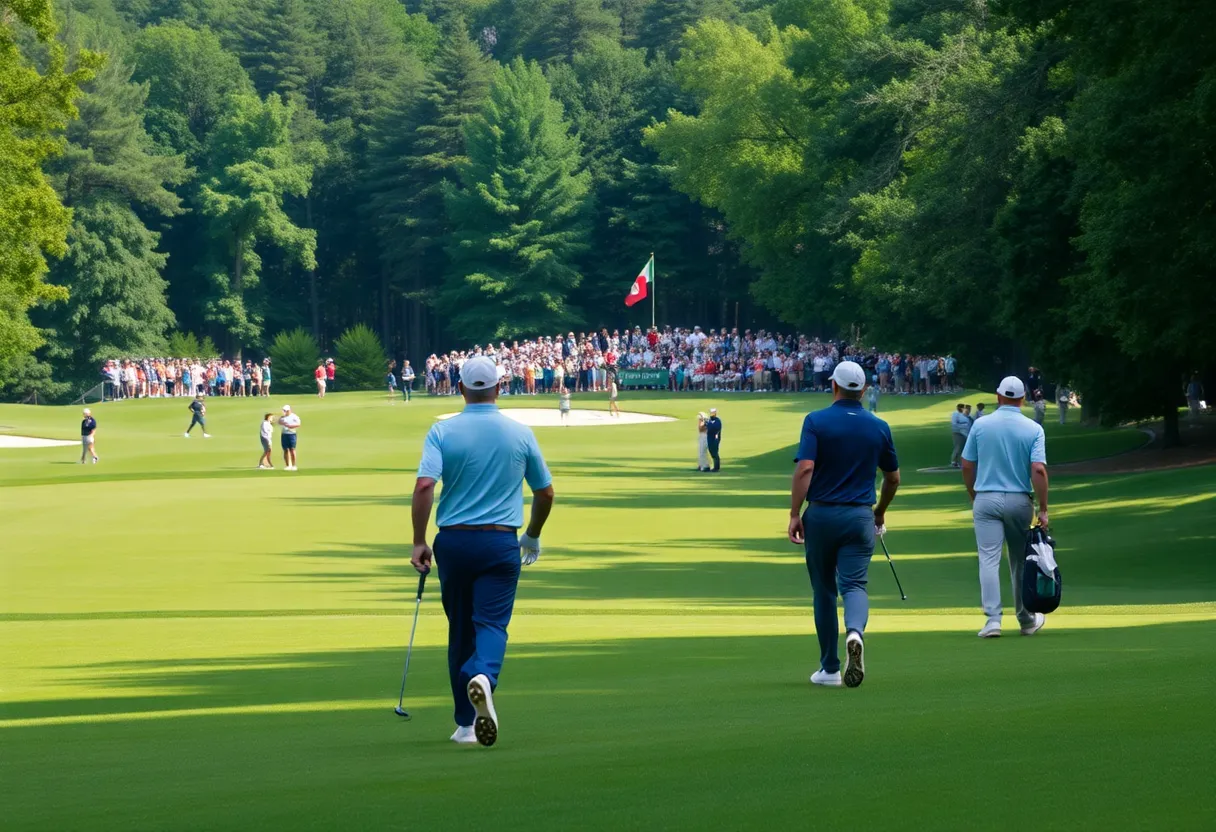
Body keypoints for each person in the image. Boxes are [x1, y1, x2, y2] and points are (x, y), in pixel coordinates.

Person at [409, 356, 555, 748]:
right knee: (490, 624)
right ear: (499, 387)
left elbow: (425, 487)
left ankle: (466, 725)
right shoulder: (520, 433)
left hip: (454, 542)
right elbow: (546, 492)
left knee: (460, 629)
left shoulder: (442, 431)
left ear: (460, 388)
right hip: (499, 543)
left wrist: (418, 540)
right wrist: (533, 534)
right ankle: (484, 676)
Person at [788, 361, 900, 689]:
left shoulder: (816, 421)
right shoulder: (878, 426)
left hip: (822, 515)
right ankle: (855, 632)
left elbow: (805, 468)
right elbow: (892, 478)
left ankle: (830, 668)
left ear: (833, 386)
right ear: (863, 391)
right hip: (860, 516)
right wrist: (880, 511)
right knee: (854, 585)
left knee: (824, 590)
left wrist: (795, 512)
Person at [961, 376, 1049, 639]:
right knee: (1020, 560)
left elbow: (967, 465)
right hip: (1020, 499)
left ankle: (992, 621)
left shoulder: (981, 425)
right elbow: (1038, 469)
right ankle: (1025, 619)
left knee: (988, 558)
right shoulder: (1034, 428)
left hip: (986, 496)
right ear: (1022, 399)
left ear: (998, 397)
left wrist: (973, 494)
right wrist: (1043, 508)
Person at [279, 405, 301, 471]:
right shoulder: (282, 417)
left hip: (292, 434)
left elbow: (298, 424)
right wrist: (282, 422)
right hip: (284, 434)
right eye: (284, 410)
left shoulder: (294, 416)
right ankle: (288, 465)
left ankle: (294, 465)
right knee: (285, 450)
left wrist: (291, 426)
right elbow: (279, 422)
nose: (285, 412)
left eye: (286, 410)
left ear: (289, 410)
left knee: (292, 449)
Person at [950, 403, 971, 468]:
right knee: (958, 447)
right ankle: (954, 461)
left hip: (965, 433)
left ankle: (960, 461)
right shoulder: (955, 414)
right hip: (958, 432)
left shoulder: (964, 414)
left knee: (963, 448)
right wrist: (962, 426)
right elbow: (954, 424)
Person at [705, 408, 722, 472]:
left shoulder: (717, 421)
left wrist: (709, 425)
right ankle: (713, 466)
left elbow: (715, 429)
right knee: (711, 451)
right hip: (709, 438)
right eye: (711, 412)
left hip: (715, 439)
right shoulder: (709, 420)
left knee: (715, 452)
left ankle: (716, 467)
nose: (711, 414)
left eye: (713, 413)